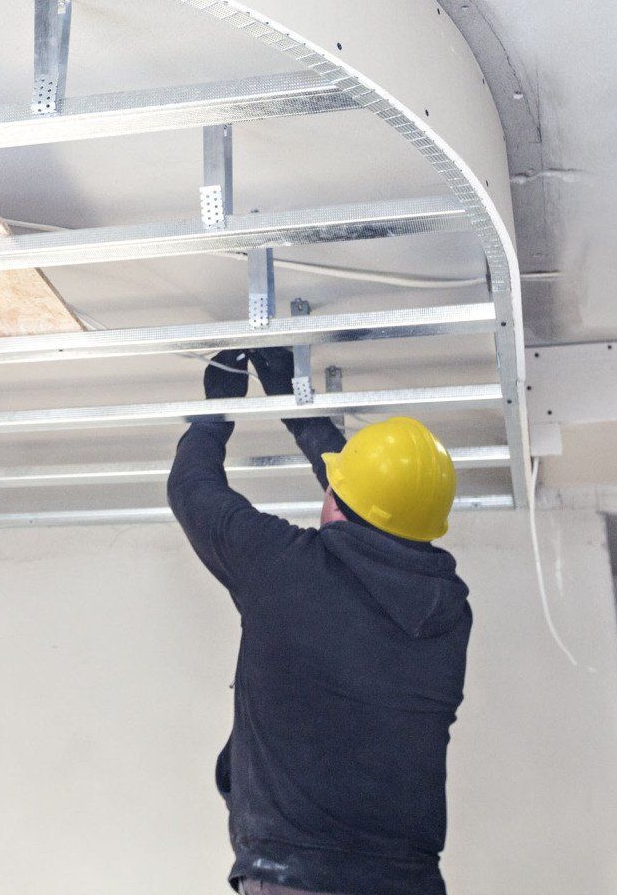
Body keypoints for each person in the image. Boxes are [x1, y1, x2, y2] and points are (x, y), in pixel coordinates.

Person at [167, 348, 470, 895]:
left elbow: (194, 490)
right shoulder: (446, 611)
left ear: (335, 500)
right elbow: (372, 519)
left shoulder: (286, 567)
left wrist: (212, 415)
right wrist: (301, 414)